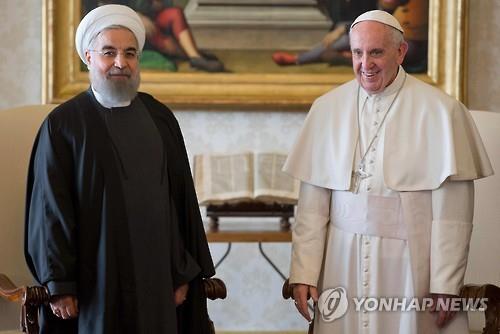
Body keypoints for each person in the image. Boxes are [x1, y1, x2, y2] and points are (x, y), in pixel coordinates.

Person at [283, 10, 493, 334]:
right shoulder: (327, 108)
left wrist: (446, 283)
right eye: (357, 52)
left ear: (401, 51)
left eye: (376, 52)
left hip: (410, 263)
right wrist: (304, 272)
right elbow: (311, 207)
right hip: (342, 259)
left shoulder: (441, 111)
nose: (365, 64)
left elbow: (454, 214)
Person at [24, 4, 215, 334]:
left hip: (157, 281)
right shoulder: (64, 125)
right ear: (88, 56)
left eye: (130, 53)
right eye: (108, 52)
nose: (120, 63)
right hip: (93, 284)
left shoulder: (160, 118)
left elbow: (178, 202)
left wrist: (181, 272)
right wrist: (61, 283)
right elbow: (50, 210)